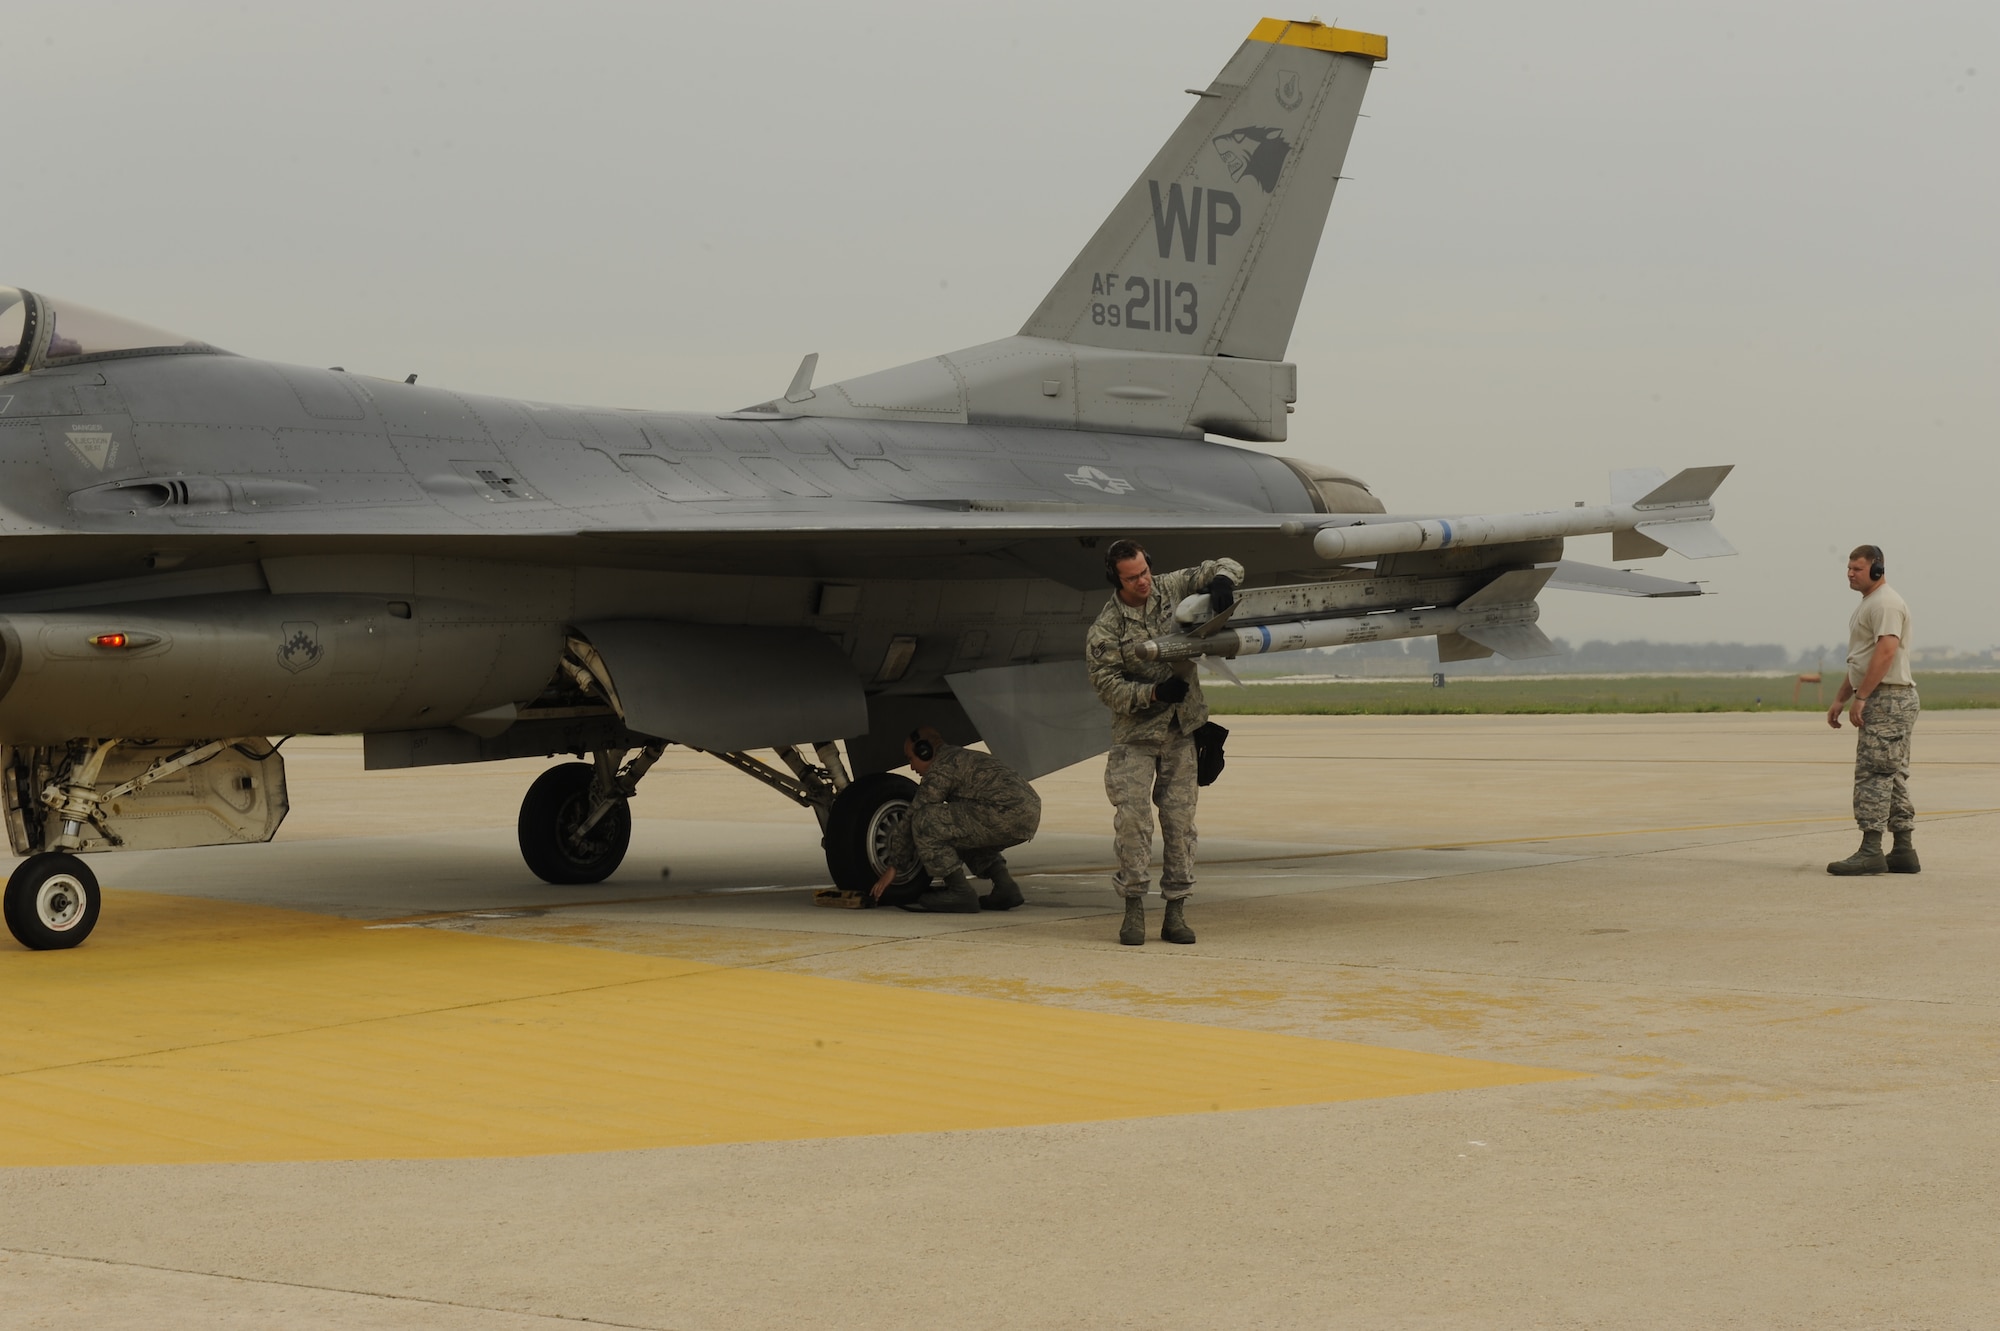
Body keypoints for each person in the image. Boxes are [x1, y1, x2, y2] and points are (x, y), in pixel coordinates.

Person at [1085, 539, 1243, 946]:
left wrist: (1223, 580)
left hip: (1180, 731)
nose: (1142, 582)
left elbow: (1223, 561)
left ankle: (1176, 911)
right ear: (1116, 580)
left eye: (1144, 572)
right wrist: (1152, 696)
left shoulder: (1171, 588)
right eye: (1132, 577)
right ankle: (1133, 909)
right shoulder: (1106, 628)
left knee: (1180, 824)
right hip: (1135, 737)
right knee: (1134, 825)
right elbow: (1107, 687)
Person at [872, 727, 1042, 913]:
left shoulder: (942, 768)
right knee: (958, 829)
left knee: (925, 820)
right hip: (1026, 814)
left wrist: (894, 865)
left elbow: (916, 812)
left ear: (925, 751)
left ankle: (960, 892)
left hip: (1005, 812)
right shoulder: (958, 756)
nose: (911, 767)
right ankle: (1005, 887)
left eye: (911, 758)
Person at [1825, 544, 1919, 875]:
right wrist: (1842, 697)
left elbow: (1886, 652)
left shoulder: (1885, 603)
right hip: (1884, 695)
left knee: (1874, 774)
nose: (1850, 574)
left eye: (1857, 569)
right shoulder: (1872, 603)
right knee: (1891, 775)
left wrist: (1861, 697)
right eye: (1848, 568)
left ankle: (1871, 850)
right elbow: (1862, 659)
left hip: (1887, 698)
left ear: (1877, 570)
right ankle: (1904, 850)